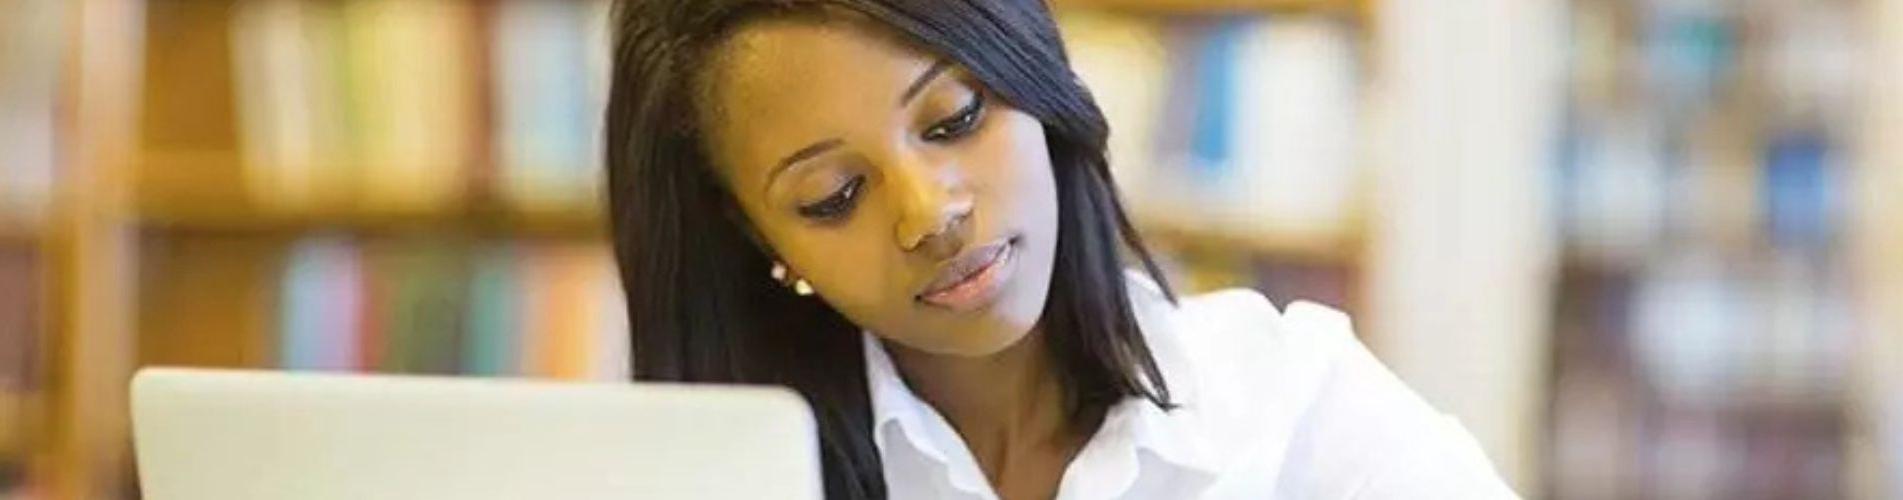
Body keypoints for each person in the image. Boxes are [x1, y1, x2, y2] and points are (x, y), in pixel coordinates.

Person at [605, 1, 1517, 498]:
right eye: (833, 196)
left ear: (1036, 87)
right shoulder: (720, 477)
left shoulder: (1292, 408)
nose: (930, 212)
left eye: (956, 118)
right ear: (759, 240)